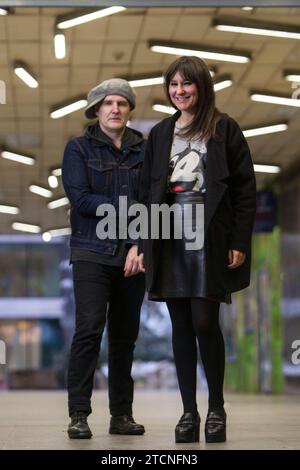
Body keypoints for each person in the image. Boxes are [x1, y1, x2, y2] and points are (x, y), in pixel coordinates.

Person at [139, 56, 256, 444]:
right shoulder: (159, 133)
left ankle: (217, 408)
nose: (179, 92)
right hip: (169, 239)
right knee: (181, 327)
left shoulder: (224, 129)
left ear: (201, 86)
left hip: (209, 237)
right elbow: (146, 192)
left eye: (186, 84)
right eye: (173, 85)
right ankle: (189, 411)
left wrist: (239, 240)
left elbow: (244, 190)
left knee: (205, 322)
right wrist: (142, 242)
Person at [62, 78, 146, 439]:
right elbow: (81, 200)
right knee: (89, 329)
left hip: (132, 255)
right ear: (96, 110)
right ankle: (79, 414)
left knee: (125, 338)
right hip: (91, 254)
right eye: (108, 103)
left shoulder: (145, 150)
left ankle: (121, 415)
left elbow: (156, 202)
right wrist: (129, 211)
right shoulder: (78, 149)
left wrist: (138, 244)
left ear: (128, 111)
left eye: (122, 104)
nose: (115, 109)